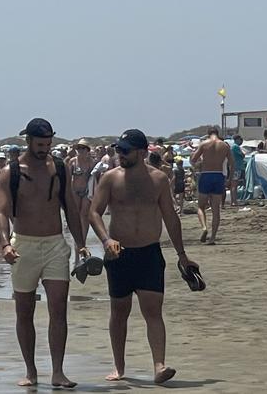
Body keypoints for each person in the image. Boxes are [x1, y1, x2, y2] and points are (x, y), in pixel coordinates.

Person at [88, 129, 195, 385]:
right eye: (118, 150)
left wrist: (182, 255)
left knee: (153, 311)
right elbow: (94, 213)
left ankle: (159, 365)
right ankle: (119, 366)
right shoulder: (110, 178)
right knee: (119, 311)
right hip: (119, 254)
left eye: (125, 150)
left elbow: (170, 217)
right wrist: (106, 240)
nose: (120, 155)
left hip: (149, 253)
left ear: (142, 152)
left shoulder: (159, 180)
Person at [0, 118, 87, 389]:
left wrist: (81, 244)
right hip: (23, 244)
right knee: (25, 311)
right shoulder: (10, 171)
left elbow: (70, 206)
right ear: (28, 141)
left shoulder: (59, 167)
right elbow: (0, 210)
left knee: (59, 309)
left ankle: (58, 371)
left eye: (48, 143)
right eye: (40, 144)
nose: (45, 148)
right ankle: (31, 371)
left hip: (55, 244)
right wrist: (5, 244)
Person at [189, 128, 228, 244]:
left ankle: (204, 228)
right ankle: (213, 238)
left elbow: (193, 160)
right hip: (219, 175)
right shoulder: (225, 145)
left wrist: (200, 162)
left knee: (201, 207)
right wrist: (229, 178)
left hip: (206, 175)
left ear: (208, 134)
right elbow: (232, 162)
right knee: (216, 209)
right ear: (217, 134)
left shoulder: (204, 144)